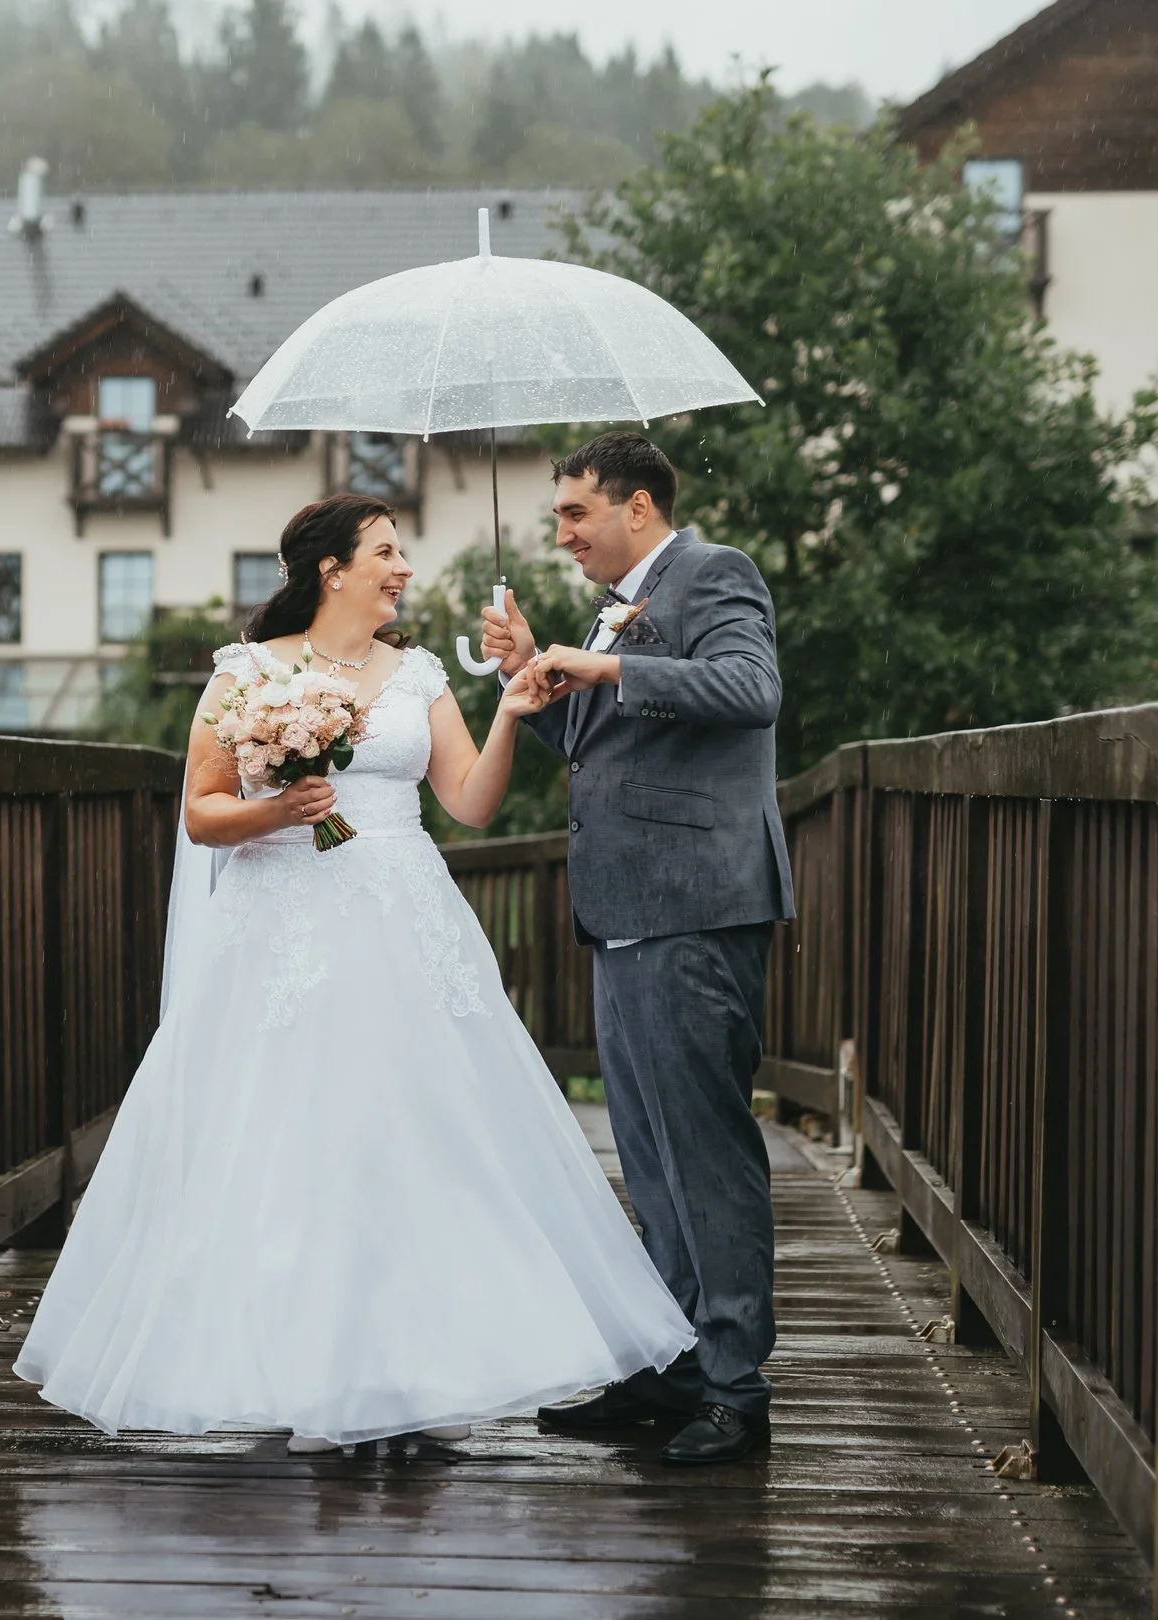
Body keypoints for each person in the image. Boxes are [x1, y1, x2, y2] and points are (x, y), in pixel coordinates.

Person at [14, 493, 695, 1452]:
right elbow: (202, 812)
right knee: (295, 1149)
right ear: (332, 569)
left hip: (407, 925)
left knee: (413, 1142)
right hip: (282, 931)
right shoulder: (249, 673)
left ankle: (412, 1377)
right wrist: (278, 811)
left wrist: (509, 712)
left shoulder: (418, 673)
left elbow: (470, 804)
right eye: (385, 552)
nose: (404, 568)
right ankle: (307, 1372)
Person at [477, 430, 792, 1466]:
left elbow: (751, 690)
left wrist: (610, 661)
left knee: (705, 1155)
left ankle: (735, 1390)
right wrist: (529, 670)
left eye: (577, 513)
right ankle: (675, 1364)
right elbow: (591, 744)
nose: (563, 534)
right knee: (651, 1159)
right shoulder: (615, 605)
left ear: (639, 508)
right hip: (622, 909)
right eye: (559, 516)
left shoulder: (714, 574)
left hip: (695, 904)